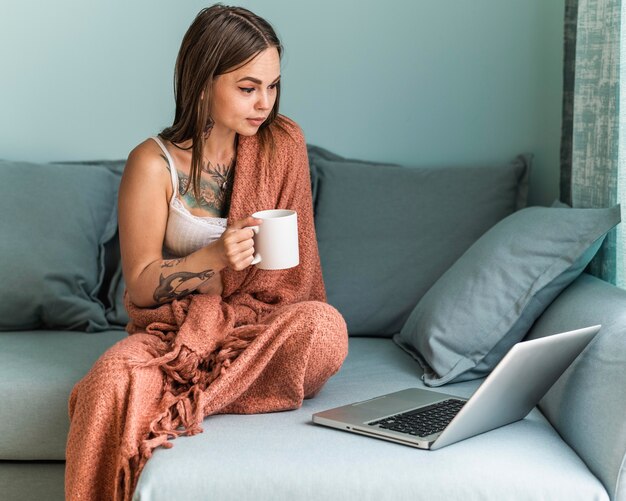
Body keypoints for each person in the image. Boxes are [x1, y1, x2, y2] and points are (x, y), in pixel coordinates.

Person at [65, 5, 348, 501]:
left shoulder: (284, 144)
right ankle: (200, 383)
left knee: (324, 329)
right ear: (201, 82)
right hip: (176, 332)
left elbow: (297, 280)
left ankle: (184, 400)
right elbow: (140, 284)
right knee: (109, 380)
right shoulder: (152, 164)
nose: (265, 103)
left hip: (255, 328)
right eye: (248, 87)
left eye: (274, 85)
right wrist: (214, 256)